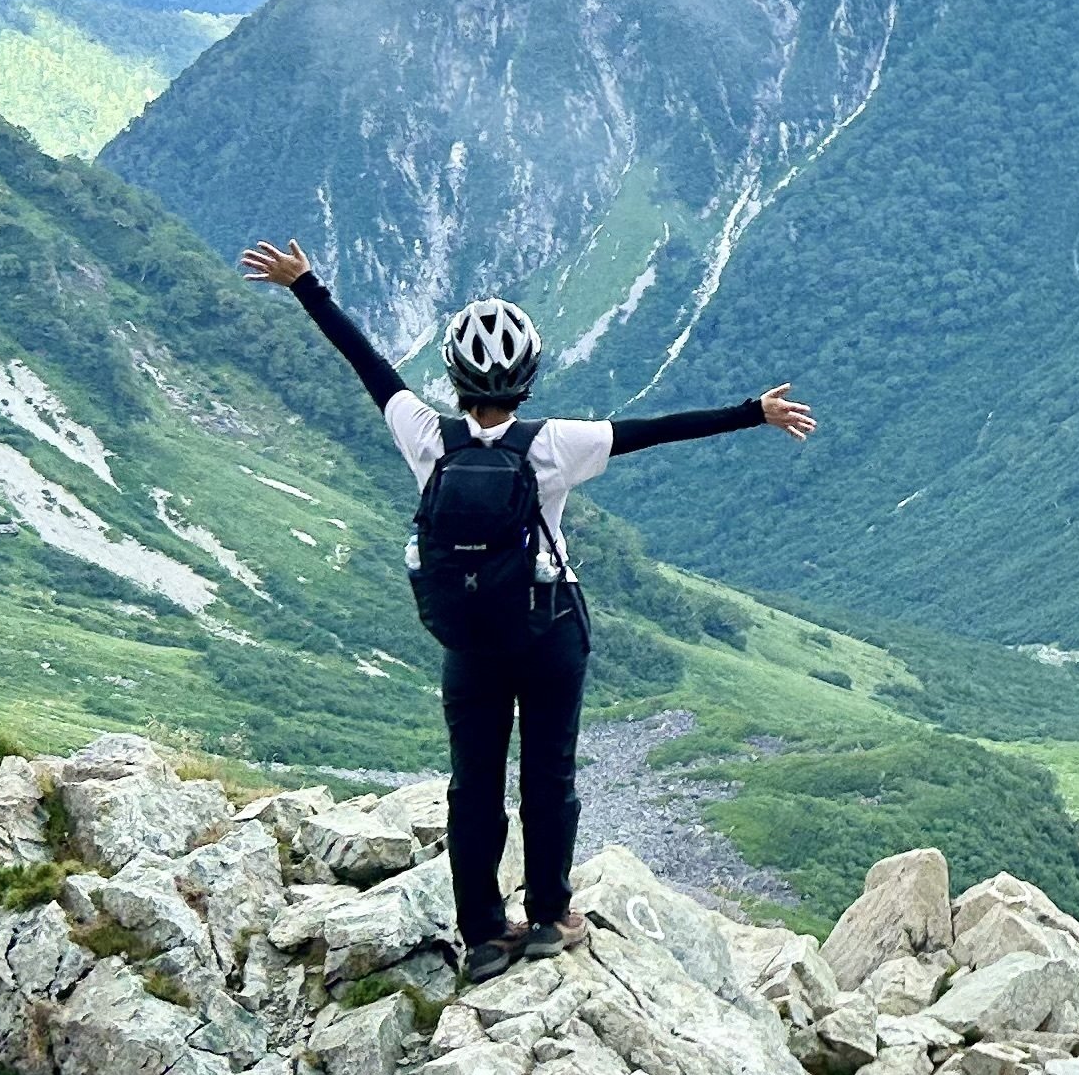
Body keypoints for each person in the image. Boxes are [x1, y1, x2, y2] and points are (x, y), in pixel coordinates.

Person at [241, 238, 811, 982]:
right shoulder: (558, 445)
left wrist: (307, 286)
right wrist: (752, 412)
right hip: (549, 631)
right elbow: (656, 429)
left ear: (453, 377)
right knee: (549, 774)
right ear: (529, 377)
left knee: (472, 784)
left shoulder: (426, 437)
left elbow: (370, 367)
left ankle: (482, 935)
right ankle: (548, 918)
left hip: (468, 640)